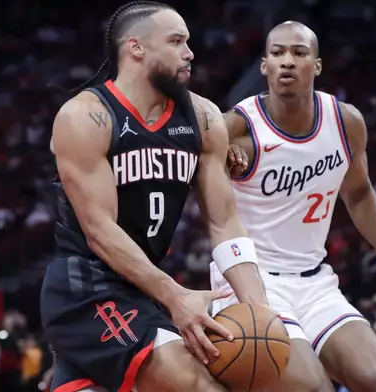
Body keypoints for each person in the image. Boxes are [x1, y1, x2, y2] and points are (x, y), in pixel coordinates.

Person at [42, 2, 270, 392]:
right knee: (200, 384)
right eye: (177, 41)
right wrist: (175, 295)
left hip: (143, 287)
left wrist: (259, 308)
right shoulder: (85, 116)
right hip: (86, 288)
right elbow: (99, 231)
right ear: (136, 48)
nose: (190, 52)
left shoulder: (204, 117)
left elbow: (224, 221)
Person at [215, 21, 376, 392]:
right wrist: (218, 162)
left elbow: (359, 193)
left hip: (315, 280)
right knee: (314, 388)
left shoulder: (345, 122)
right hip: (251, 280)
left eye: (299, 53)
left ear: (316, 65)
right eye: (278, 53)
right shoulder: (234, 129)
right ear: (264, 65)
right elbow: (193, 189)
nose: (287, 61)